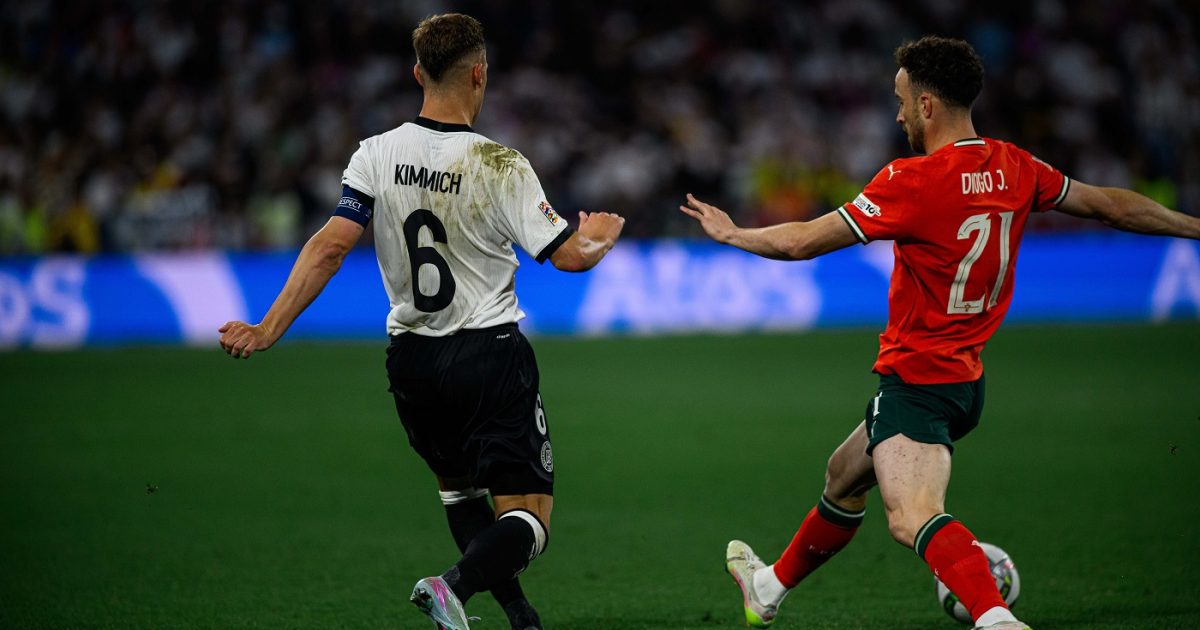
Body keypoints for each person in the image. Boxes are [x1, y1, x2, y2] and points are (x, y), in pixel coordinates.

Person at [679, 35, 1199, 630]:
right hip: (965, 380)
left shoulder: (912, 180)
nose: (898, 114)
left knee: (912, 516)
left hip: (918, 379)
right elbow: (1110, 205)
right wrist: (1193, 226)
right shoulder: (1015, 167)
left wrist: (734, 234)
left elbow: (800, 242)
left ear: (927, 105)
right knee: (843, 476)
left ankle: (995, 618)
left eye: (901, 100)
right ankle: (768, 588)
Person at [218, 13, 624, 630]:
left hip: (413, 362)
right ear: (479, 74)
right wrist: (600, 236)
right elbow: (570, 257)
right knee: (530, 518)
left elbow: (330, 247)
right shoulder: (500, 164)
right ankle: (451, 585)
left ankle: (521, 617)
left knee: (459, 490)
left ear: (417, 73)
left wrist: (267, 327)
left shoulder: (375, 154)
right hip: (488, 356)